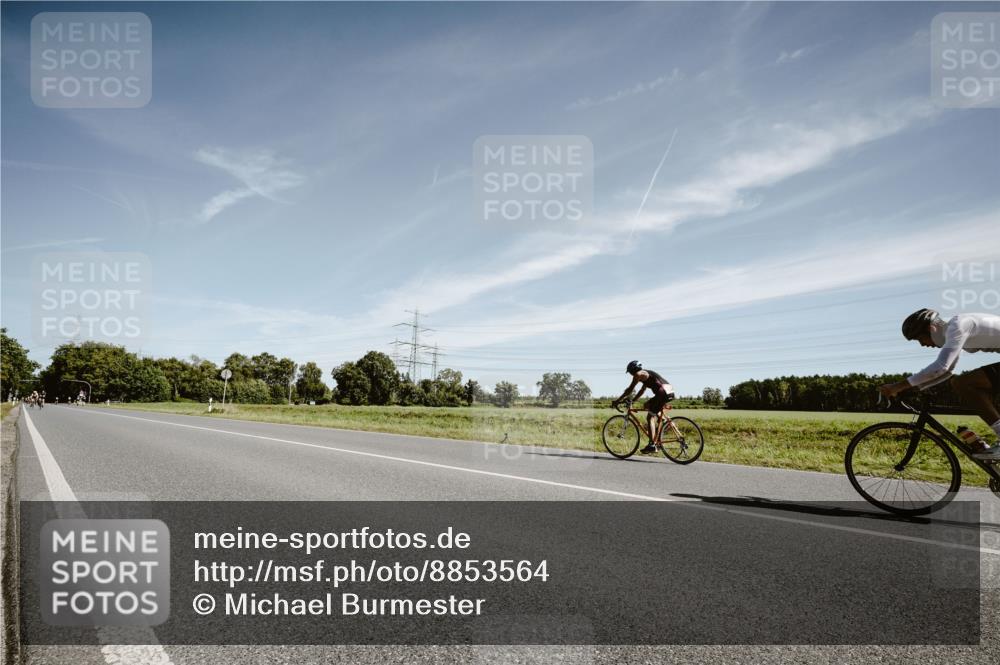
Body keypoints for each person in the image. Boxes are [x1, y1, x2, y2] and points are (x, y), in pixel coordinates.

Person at [879, 309, 1000, 460]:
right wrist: (915, 387)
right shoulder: (955, 329)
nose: (922, 344)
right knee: (961, 383)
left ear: (932, 329)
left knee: (964, 384)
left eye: (920, 338)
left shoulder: (958, 325)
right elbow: (948, 370)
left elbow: (942, 366)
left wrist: (897, 386)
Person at [612, 360, 675, 454]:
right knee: (647, 405)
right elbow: (642, 391)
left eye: (630, 372)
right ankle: (665, 422)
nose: (630, 374)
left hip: (663, 392)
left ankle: (652, 445)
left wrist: (617, 401)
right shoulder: (646, 375)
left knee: (650, 417)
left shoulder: (638, 374)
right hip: (669, 391)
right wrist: (633, 400)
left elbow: (629, 390)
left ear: (633, 370)